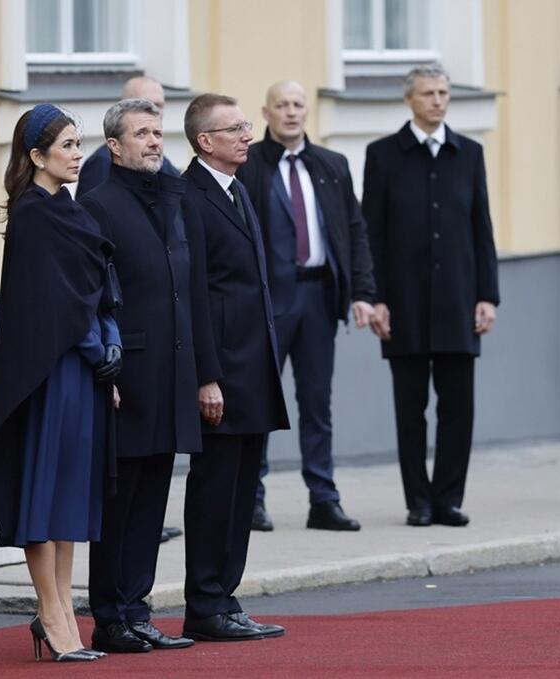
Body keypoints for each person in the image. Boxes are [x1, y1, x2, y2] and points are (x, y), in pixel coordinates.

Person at [0, 104, 122, 663]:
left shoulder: (73, 210)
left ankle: (64, 612)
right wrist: (96, 347)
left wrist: (110, 345)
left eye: (77, 143)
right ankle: (52, 616)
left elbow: (101, 286)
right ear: (36, 155)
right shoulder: (35, 214)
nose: (75, 154)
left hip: (85, 370)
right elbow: (56, 305)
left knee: (68, 499)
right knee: (44, 498)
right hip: (52, 371)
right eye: (65, 145)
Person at [80, 98, 211, 654]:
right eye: (142, 134)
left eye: (158, 133)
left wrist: (203, 372)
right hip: (125, 375)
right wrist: (103, 368)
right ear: (115, 146)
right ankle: (110, 616)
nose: (155, 142)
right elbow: (90, 297)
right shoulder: (99, 205)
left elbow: (189, 290)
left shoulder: (172, 201)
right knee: (121, 500)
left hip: (171, 371)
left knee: (154, 498)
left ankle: (138, 609)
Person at [362, 64, 500, 528]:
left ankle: (448, 499)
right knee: (411, 409)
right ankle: (417, 501)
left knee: (458, 407)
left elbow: (482, 229)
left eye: (443, 92)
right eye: (428, 93)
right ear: (409, 99)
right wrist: (375, 296)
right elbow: (372, 234)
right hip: (403, 304)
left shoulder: (470, 153)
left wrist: (488, 295)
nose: (438, 100)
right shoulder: (382, 155)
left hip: (460, 301)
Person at [236, 81, 376, 532]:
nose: (291, 112)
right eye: (282, 105)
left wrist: (362, 293)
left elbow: (354, 231)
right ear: (266, 111)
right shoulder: (250, 164)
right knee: (259, 401)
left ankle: (323, 497)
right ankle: (252, 498)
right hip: (268, 302)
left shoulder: (331, 165)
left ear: (307, 112)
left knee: (317, 401)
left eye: (298, 104)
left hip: (318, 297)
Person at [180, 93, 289, 642]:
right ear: (206, 141)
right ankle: (203, 602)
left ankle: (225, 596)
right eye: (236, 128)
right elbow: (194, 294)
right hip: (221, 372)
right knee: (216, 488)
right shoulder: (188, 195)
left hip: (254, 367)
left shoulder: (237, 188)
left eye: (247, 126)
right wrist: (206, 375)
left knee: (243, 489)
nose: (247, 135)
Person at [76, 75, 181, 197]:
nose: (154, 111)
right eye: (145, 105)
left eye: (159, 105)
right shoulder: (102, 162)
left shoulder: (162, 162)